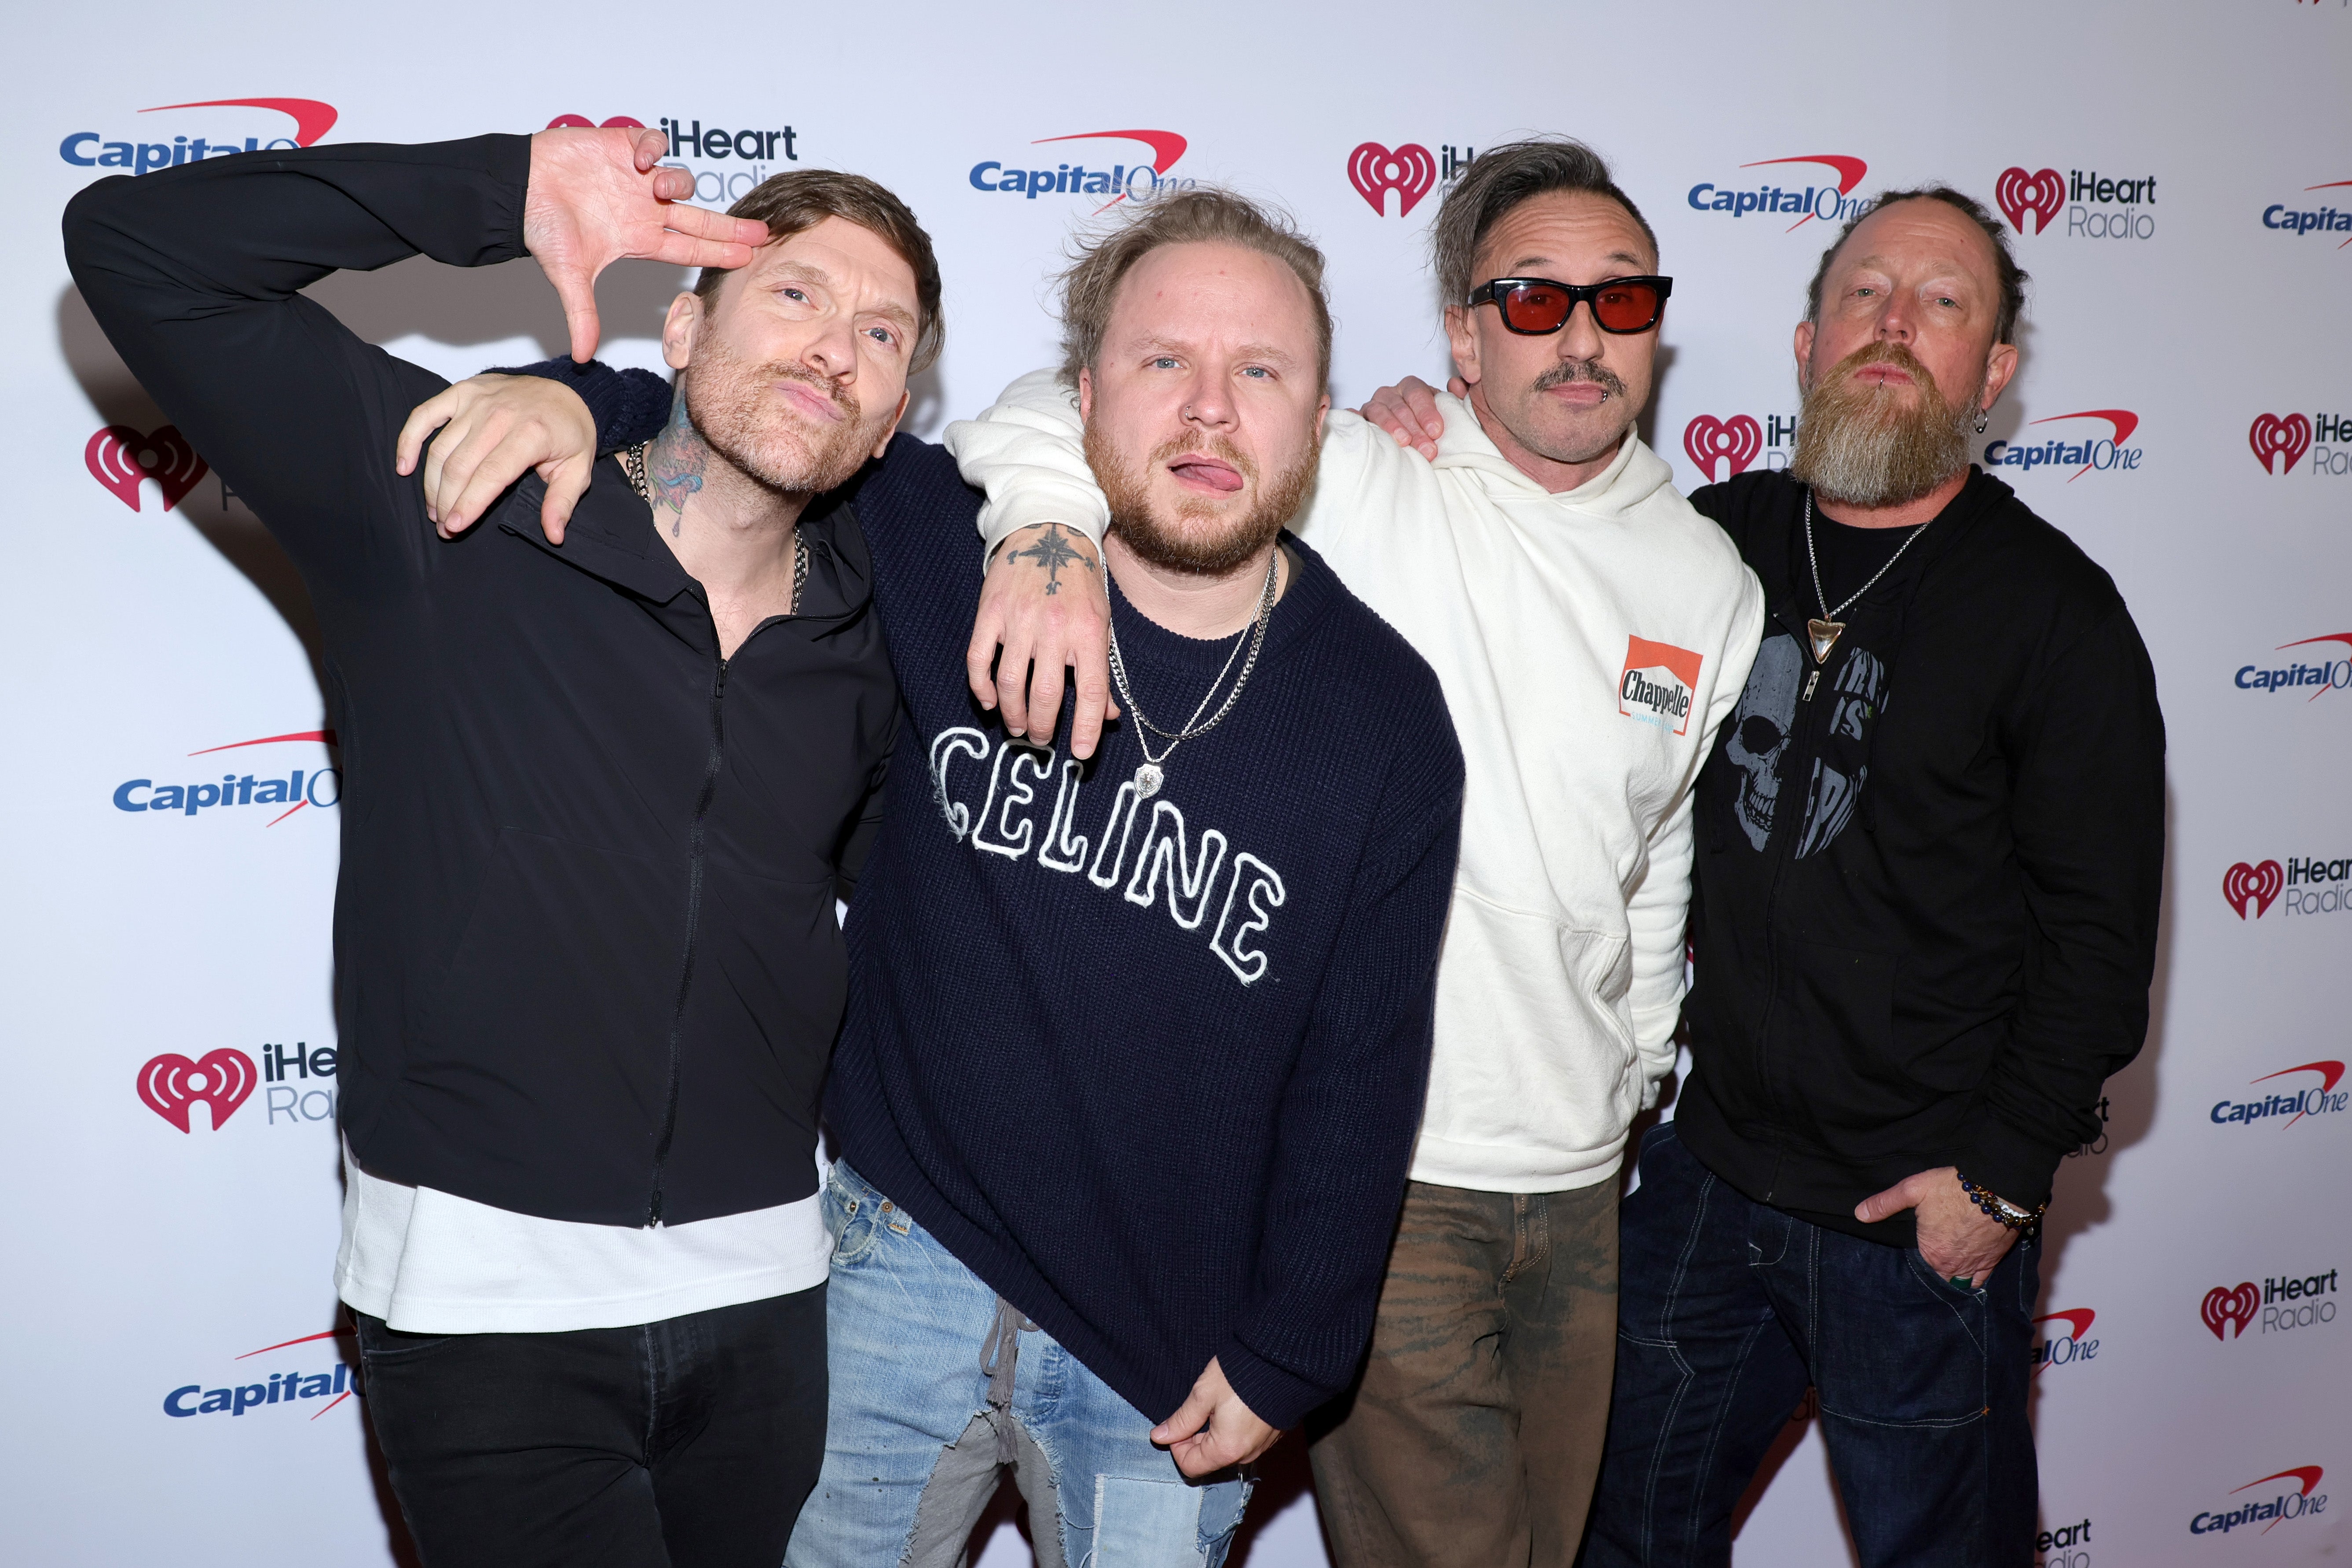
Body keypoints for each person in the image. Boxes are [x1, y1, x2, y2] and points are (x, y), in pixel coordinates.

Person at [407, 187, 1464, 1567]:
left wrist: (1297, 1347)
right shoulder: (930, 540)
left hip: (1172, 1339)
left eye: (1258, 372)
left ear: (1318, 418)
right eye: (1163, 363)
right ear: (1076, 397)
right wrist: (574, 402)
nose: (1209, 411)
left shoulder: (1384, 719)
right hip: (896, 1259)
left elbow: (1363, 1068)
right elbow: (754, 414)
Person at [65, 128, 916, 1566]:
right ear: (685, 320)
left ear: (895, 416)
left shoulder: (881, 635)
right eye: (797, 293)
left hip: (772, 1302)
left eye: (883, 331)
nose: (837, 346)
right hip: (484, 1312)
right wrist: (500, 192)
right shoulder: (457, 495)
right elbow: (138, 254)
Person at [946, 139, 1765, 1568]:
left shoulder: (1709, 577)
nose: (1579, 337)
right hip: (1397, 1178)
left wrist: (1632, 1075)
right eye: (1530, 301)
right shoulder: (1366, 477)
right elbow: (1049, 411)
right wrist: (1045, 537)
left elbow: (1657, 862)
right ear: (1461, 332)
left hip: (1583, 1186)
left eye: (1619, 302)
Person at [1366, 188, 2166, 1568]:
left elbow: (2101, 939)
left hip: (1916, 1214)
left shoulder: (2056, 611)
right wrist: (1410, 440)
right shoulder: (1709, 544)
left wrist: (1998, 1177)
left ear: (1994, 371)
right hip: (1705, 1174)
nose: (1892, 326)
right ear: (1804, 342)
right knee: (1615, 1534)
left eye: (1941, 303)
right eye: (1861, 295)